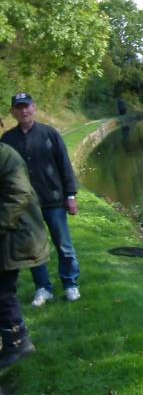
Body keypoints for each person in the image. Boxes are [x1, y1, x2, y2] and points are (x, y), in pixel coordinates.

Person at [1, 93, 80, 305]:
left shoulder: (50, 134)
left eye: (27, 107)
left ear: (34, 108)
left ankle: (71, 284)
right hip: (26, 207)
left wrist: (70, 195)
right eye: (19, 108)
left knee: (64, 245)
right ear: (13, 112)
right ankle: (43, 288)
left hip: (54, 200)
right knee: (34, 248)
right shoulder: (7, 139)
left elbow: (65, 165)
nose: (23, 111)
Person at [0, 142, 49, 369]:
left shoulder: (6, 156)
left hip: (12, 236)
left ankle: (18, 345)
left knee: (3, 292)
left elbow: (19, 193)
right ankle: (14, 343)